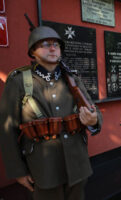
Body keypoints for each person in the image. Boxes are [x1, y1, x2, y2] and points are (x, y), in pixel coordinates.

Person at [0, 26, 103, 200]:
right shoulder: (18, 82)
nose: (53, 48)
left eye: (56, 44)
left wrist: (93, 120)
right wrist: (18, 171)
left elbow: (94, 111)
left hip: (77, 164)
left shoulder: (72, 79)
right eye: (45, 44)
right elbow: (7, 129)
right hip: (43, 168)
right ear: (33, 51)